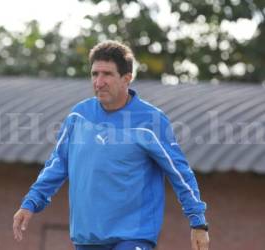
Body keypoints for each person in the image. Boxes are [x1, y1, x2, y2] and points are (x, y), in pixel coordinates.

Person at [13, 40, 210, 250]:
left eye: (107, 74)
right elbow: (57, 164)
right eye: (94, 74)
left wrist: (198, 222)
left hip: (132, 237)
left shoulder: (151, 122)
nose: (99, 82)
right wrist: (31, 202)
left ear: (127, 79)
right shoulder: (78, 116)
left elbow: (180, 173)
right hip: (87, 238)